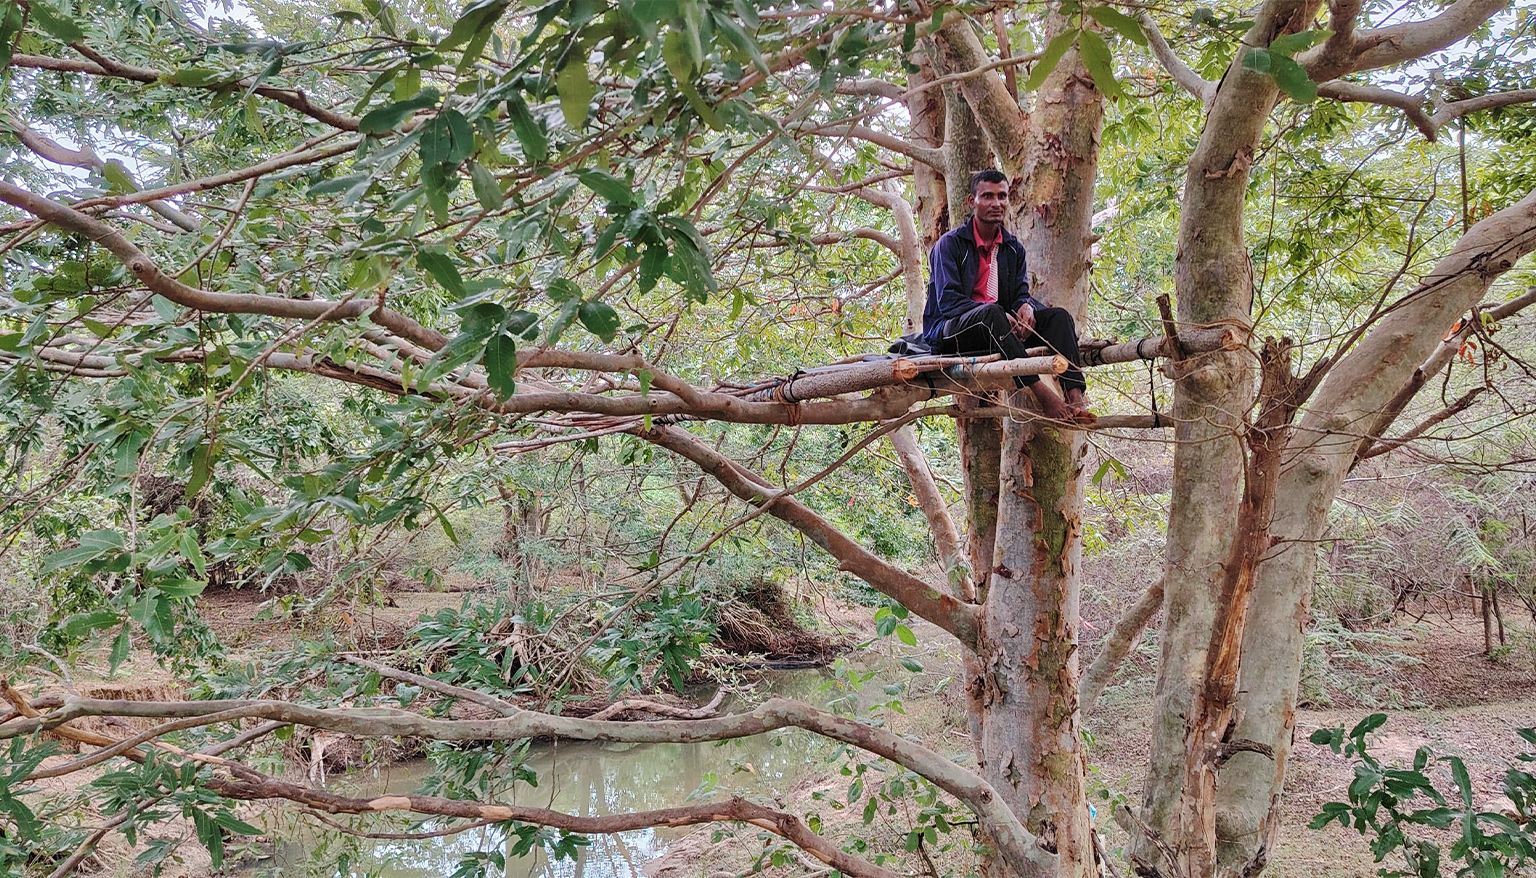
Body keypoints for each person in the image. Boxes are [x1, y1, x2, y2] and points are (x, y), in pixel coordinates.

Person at [920, 168, 1094, 424]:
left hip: (998, 332)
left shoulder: (1013, 248)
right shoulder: (950, 245)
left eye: (1002, 197)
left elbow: (1018, 294)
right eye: (988, 196)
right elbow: (948, 302)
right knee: (990, 313)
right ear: (972, 202)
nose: (996, 203)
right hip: (951, 333)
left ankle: (1075, 396)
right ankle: (1042, 392)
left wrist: (1025, 307)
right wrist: (1001, 313)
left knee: (1059, 317)